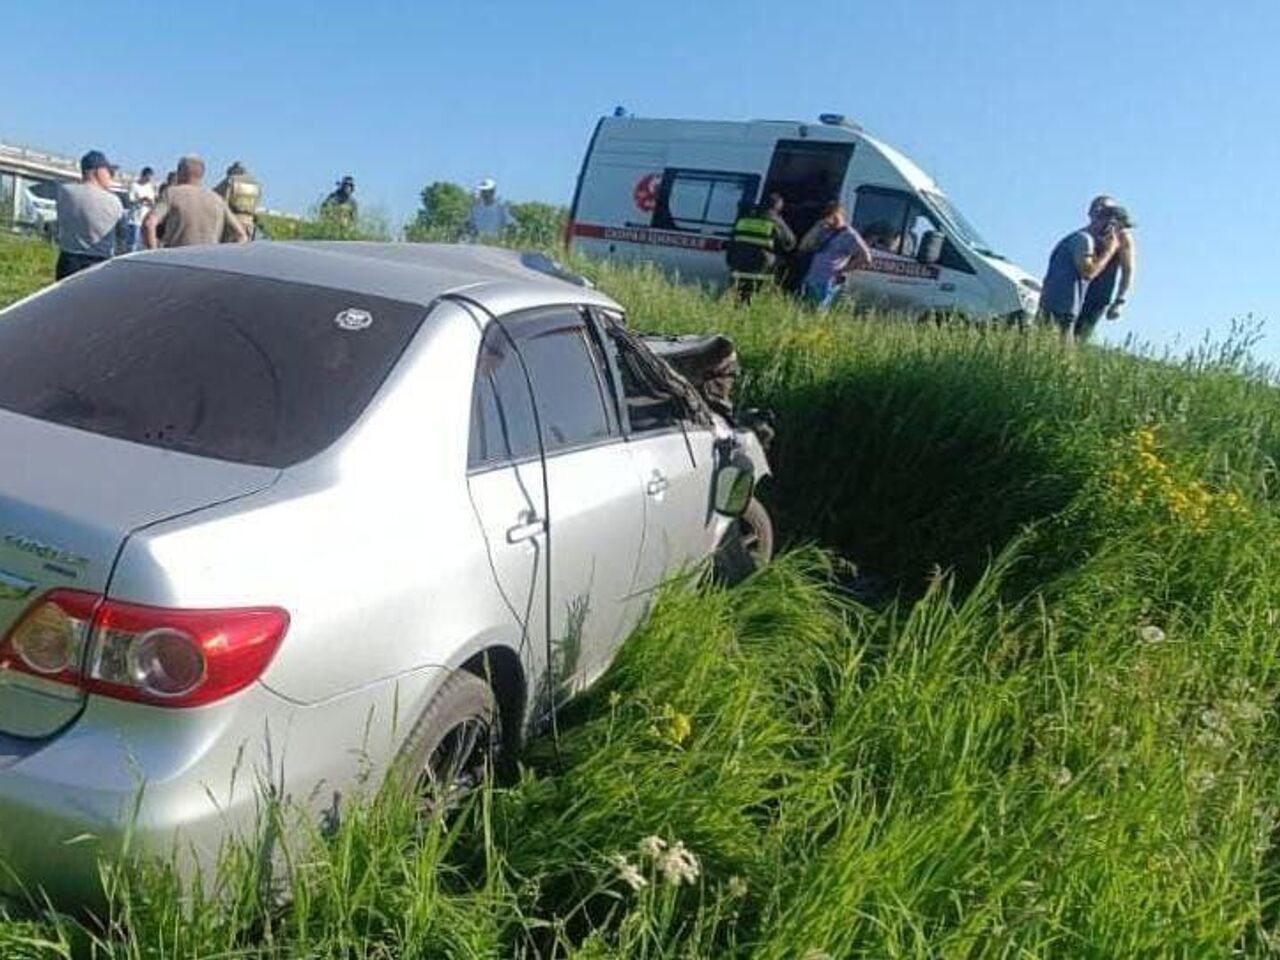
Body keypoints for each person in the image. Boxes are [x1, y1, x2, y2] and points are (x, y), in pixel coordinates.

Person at [1038, 201, 1121, 337]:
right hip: (1062, 310)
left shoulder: (1073, 239)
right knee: (1061, 355)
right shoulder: (1083, 240)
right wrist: (1110, 250)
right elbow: (1088, 272)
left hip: (1054, 307)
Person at [143, 155, 247, 249]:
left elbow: (149, 223)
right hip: (208, 262)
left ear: (180, 172)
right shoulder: (217, 199)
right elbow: (241, 235)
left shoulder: (172, 193)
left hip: (176, 260)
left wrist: (154, 252)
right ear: (202, 174)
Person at [53, 149, 125, 280]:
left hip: (68, 260)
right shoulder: (114, 201)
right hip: (99, 264)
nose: (111, 176)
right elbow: (121, 234)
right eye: (109, 172)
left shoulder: (64, 191)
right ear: (98, 171)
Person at [1077, 196, 1137, 341]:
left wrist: (1119, 301)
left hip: (1098, 295)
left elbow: (1128, 270)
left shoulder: (1121, 236)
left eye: (1106, 209)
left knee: (1079, 336)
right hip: (1073, 292)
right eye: (1096, 208)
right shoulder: (1082, 235)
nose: (1100, 211)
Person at [797, 203, 873, 309]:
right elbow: (803, 246)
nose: (832, 220)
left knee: (817, 312)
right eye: (829, 216)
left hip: (827, 281)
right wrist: (817, 227)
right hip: (812, 278)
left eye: (835, 216)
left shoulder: (850, 235)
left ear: (842, 215)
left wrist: (842, 270)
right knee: (804, 311)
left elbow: (866, 258)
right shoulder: (824, 231)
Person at [725, 193, 796, 303]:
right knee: (754, 297)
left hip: (738, 263)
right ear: (777, 206)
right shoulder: (774, 220)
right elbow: (790, 242)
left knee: (738, 297)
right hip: (760, 266)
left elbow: (732, 241)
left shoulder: (744, 218)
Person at [214, 161, 262, 240]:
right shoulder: (255, 184)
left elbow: (220, 202)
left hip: (232, 223)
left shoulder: (229, 180)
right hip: (250, 224)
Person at [124, 167, 157, 252]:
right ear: (143, 175)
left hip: (145, 220)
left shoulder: (150, 187)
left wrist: (150, 202)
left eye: (151, 177)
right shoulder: (134, 186)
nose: (149, 179)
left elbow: (153, 202)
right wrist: (141, 200)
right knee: (133, 244)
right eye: (148, 177)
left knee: (144, 244)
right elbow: (130, 201)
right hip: (135, 220)